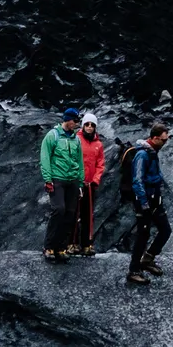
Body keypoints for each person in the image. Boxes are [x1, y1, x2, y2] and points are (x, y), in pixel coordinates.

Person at [125, 123, 171, 285]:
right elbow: (137, 181)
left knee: (165, 230)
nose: (165, 143)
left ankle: (148, 258)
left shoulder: (153, 152)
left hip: (155, 199)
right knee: (143, 235)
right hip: (144, 201)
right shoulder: (143, 155)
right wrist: (143, 203)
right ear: (154, 138)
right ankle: (133, 270)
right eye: (163, 140)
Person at [40, 107, 84, 261]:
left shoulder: (76, 139)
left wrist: (80, 182)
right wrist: (48, 179)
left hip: (72, 180)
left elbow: (79, 161)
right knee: (59, 210)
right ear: (68, 119)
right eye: (75, 121)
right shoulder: (53, 136)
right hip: (57, 179)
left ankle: (61, 247)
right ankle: (49, 246)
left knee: (70, 213)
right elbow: (45, 158)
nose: (77, 124)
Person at [74, 112, 105, 254]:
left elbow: (100, 164)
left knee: (88, 215)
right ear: (83, 125)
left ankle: (87, 244)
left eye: (92, 125)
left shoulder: (98, 144)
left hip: (90, 184)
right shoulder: (76, 140)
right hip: (77, 182)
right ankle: (72, 243)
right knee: (74, 213)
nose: (90, 127)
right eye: (87, 124)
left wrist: (95, 180)